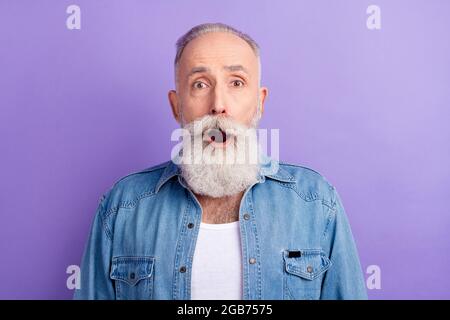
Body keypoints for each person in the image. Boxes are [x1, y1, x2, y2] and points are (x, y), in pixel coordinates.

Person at [74, 22, 367, 300]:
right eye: (200, 84)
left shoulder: (316, 203)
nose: (218, 105)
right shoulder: (123, 206)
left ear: (260, 102)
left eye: (236, 82)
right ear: (176, 106)